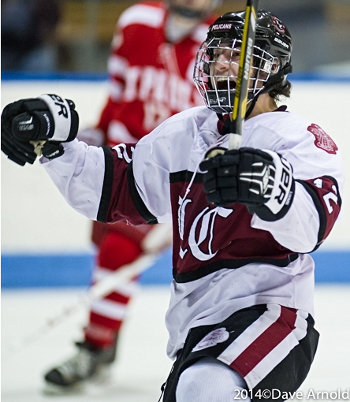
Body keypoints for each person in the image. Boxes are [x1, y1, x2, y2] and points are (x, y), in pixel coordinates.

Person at [1, 9, 344, 402]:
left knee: (204, 390)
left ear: (271, 68)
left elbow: (314, 224)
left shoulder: (299, 138)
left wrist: (274, 191)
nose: (220, 64)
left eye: (235, 55)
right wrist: (56, 145)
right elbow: (115, 189)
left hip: (273, 318)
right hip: (196, 327)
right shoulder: (186, 131)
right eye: (215, 55)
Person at [42, 0, 220, 389]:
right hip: (118, 166)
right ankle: (104, 345)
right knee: (106, 250)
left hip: (163, 178)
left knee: (118, 251)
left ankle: (93, 348)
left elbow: (212, 131)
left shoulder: (216, 46)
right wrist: (100, 135)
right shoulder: (136, 21)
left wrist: (187, 205)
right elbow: (118, 93)